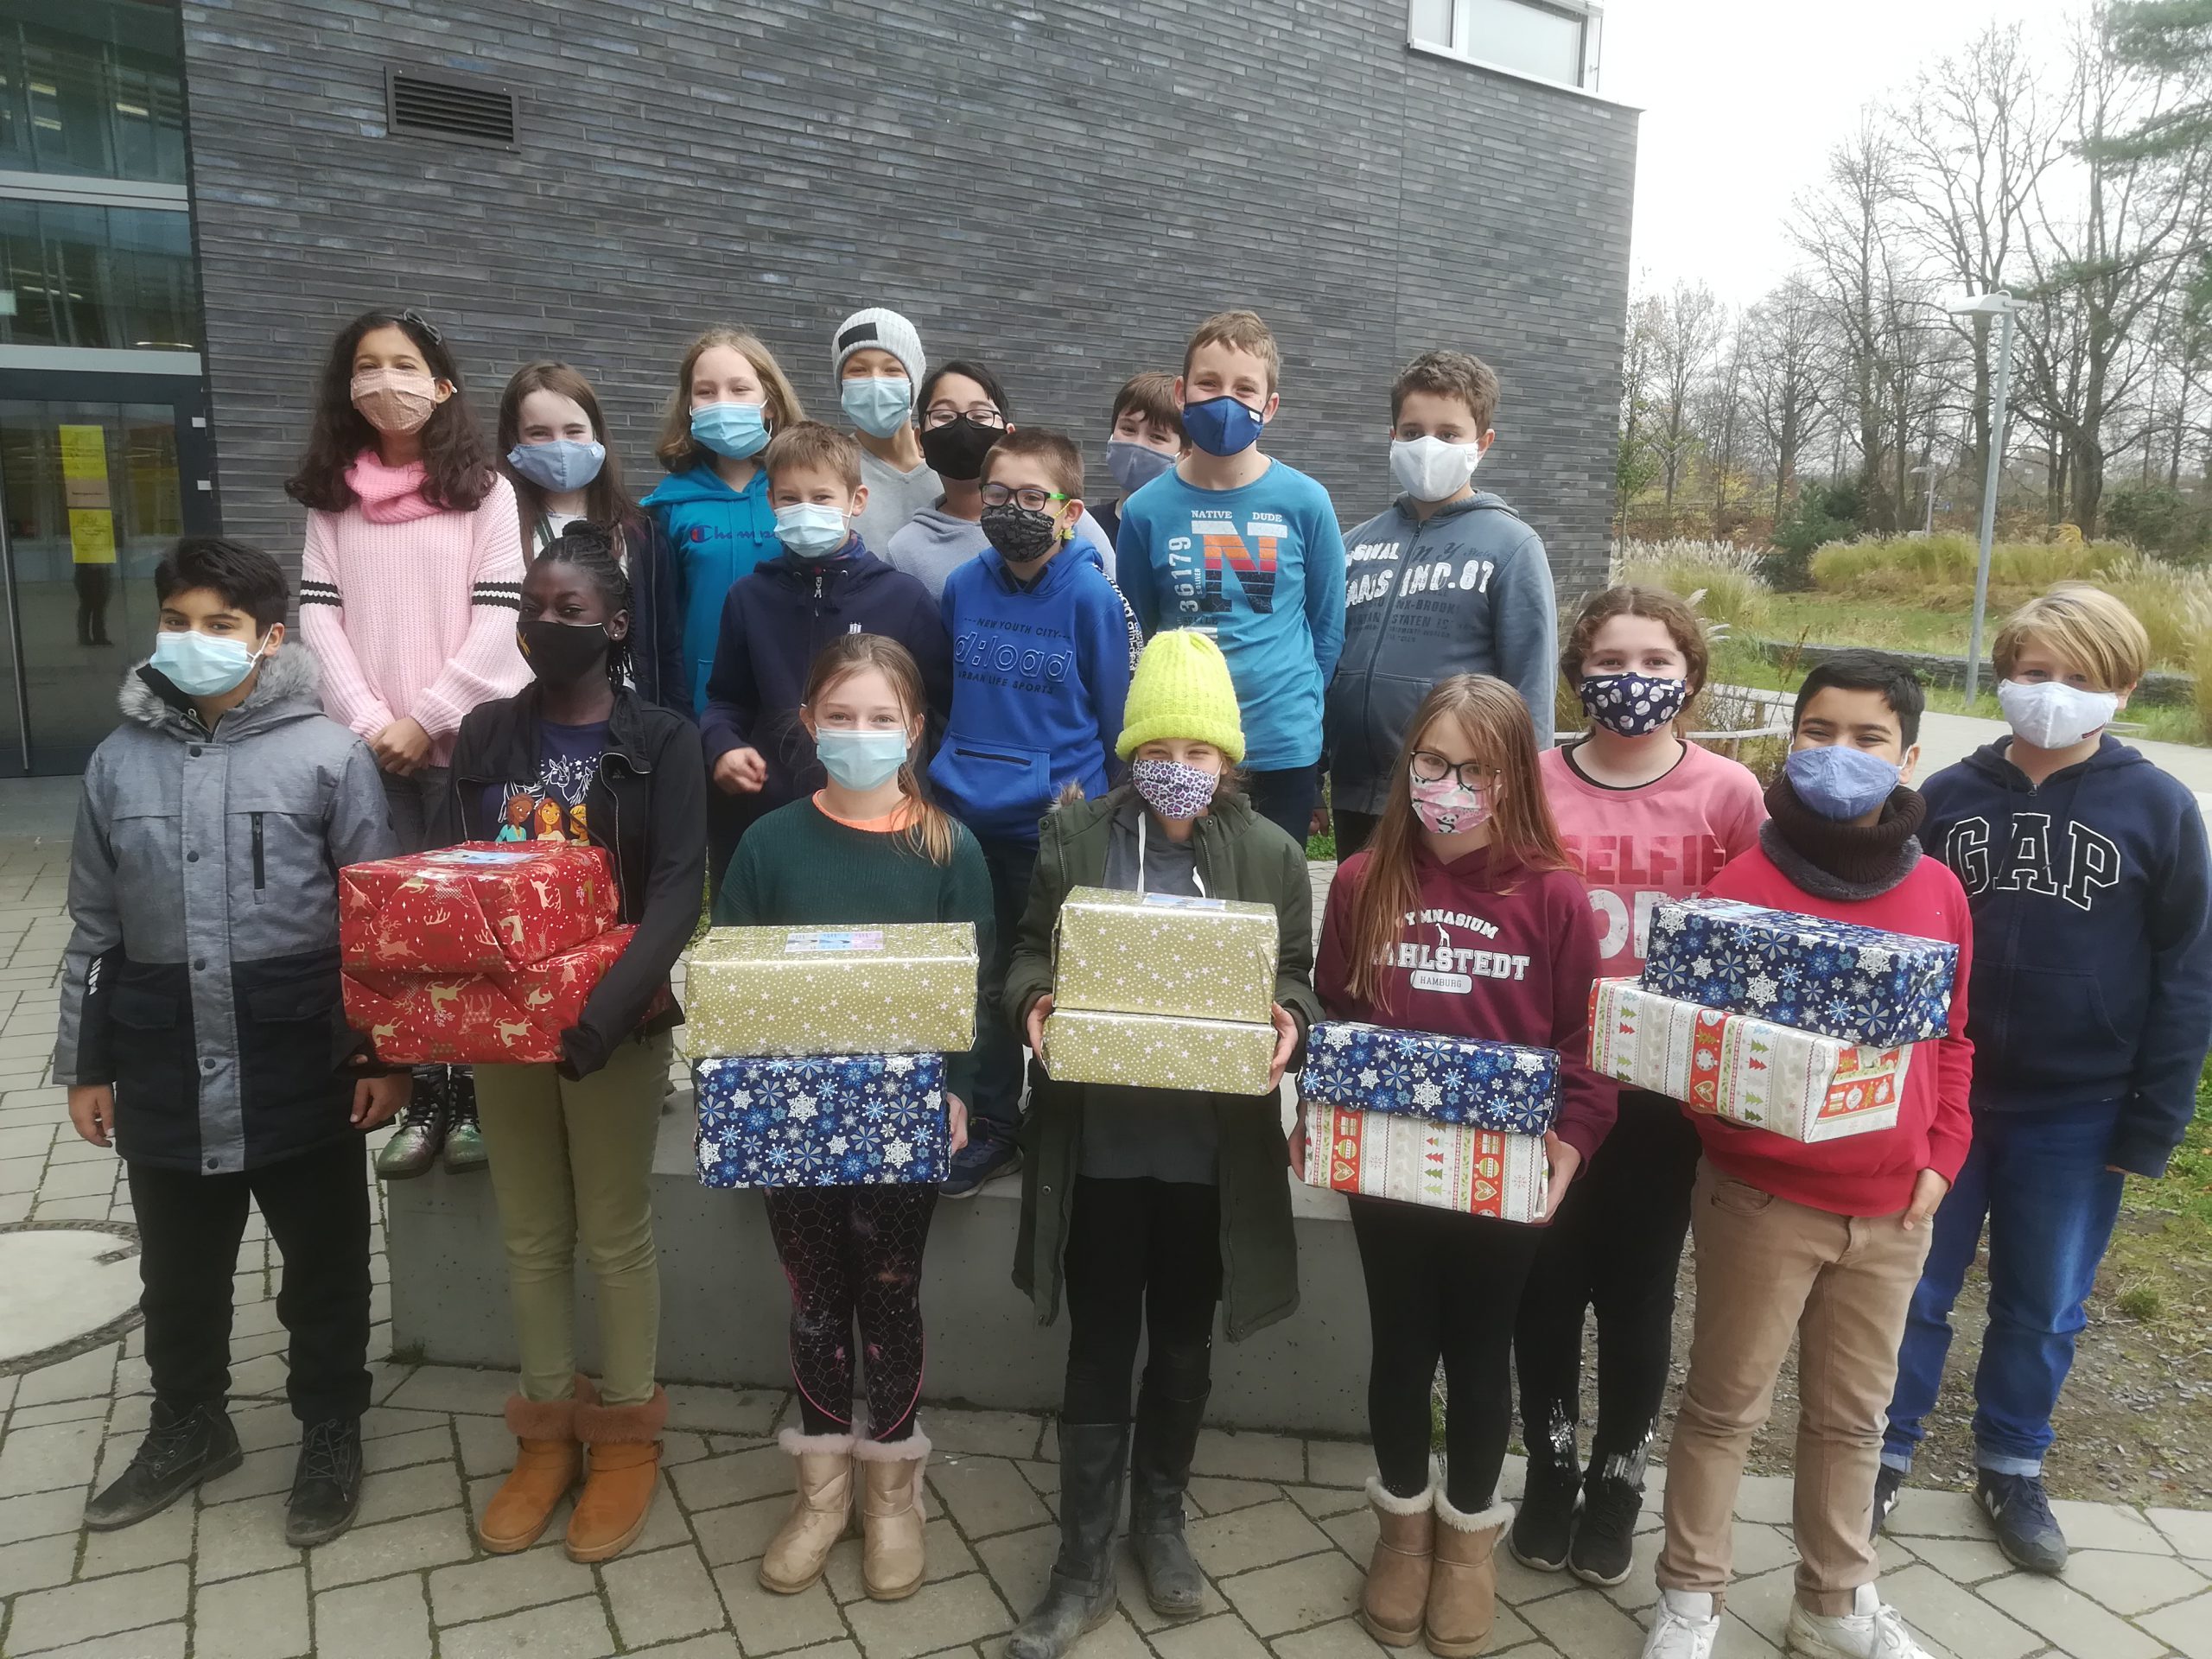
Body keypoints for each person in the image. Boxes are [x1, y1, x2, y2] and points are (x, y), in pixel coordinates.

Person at [56, 537, 404, 1548]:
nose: (194, 639)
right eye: (177, 621)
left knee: (325, 1267)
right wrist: (86, 1064)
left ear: (269, 638)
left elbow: (374, 923)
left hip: (301, 1059)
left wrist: (385, 1055)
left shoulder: (328, 755)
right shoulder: (116, 763)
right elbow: (94, 927)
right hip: (161, 1059)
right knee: (179, 1272)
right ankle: (189, 1423)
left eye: (221, 625)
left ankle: (330, 1428)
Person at [1643, 651, 1972, 1659]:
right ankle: (1690, 1600)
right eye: (1819, 732)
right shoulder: (1742, 884)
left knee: (1852, 1420)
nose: (1840, 754)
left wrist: (1941, 1154)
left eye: (1869, 738)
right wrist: (1740, 1134)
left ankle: (1833, 1602)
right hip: (1760, 1200)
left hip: (1892, 1210)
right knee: (1723, 1407)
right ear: (1791, 741)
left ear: (1908, 758)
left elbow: (1954, 1039)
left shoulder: (1938, 892)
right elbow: (1697, 1047)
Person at [1876, 587, 2212, 1573]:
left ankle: (2012, 1463)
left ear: (2123, 689)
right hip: (1945, 1098)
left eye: (2079, 677)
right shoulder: (1948, 797)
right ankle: (1881, 1449)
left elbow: (2188, 973)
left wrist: (2153, 1120)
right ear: (2003, 677)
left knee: (2044, 1302)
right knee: (1912, 1285)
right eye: (2033, 672)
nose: (2053, 692)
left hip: (2080, 1108)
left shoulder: (2158, 808)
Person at [1003, 629, 1316, 1659]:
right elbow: (1027, 953)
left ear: (1229, 759)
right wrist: (1034, 1004)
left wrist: (1289, 1019)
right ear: (1131, 750)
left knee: (1182, 1339)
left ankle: (1161, 1520)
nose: (1178, 768)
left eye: (1198, 750)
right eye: (1158, 748)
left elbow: (1297, 974)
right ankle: (1080, 1560)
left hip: (1206, 1158)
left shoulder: (1271, 854)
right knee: (1099, 1340)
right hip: (1100, 1147)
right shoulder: (1076, 839)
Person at [1310, 674, 1612, 1658]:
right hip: (1388, 1168)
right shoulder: (1363, 880)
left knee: (1482, 1352)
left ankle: (1469, 1539)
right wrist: (1319, 1113)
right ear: (1407, 765)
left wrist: (1573, 1139)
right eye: (1432, 762)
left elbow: (1584, 1044)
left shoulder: (1553, 896)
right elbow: (1335, 1013)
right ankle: (1403, 1529)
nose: (1450, 786)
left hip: (1501, 1173)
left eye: (1476, 770)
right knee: (1401, 1345)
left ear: (1513, 779)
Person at [431, 524, 706, 1564]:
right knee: (532, 1231)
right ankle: (545, 1429)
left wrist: (607, 1015)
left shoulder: (663, 740)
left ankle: (627, 1432)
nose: (546, 624)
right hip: (506, 1024)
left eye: (571, 610)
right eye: (533, 607)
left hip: (612, 1026)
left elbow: (676, 889)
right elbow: (452, 872)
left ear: (616, 625)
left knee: (614, 1228)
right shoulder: (486, 733)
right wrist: (459, 1011)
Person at [717, 633, 991, 1602]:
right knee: (814, 1297)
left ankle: (893, 1493)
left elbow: (974, 989)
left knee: (889, 1290)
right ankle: (822, 1490)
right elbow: (732, 979)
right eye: (841, 716)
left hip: (899, 1118)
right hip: (790, 1116)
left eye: (881, 718)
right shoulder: (769, 844)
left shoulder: (948, 848)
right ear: (808, 724)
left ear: (914, 730)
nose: (860, 733)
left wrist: (961, 1088)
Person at [1511, 586, 1766, 1585]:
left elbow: (1755, 935)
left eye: (1656, 661)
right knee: (1545, 1283)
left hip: (1665, 1092)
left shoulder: (1729, 794)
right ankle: (1549, 1468)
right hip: (1555, 1072)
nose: (1633, 679)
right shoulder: (1532, 782)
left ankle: (1618, 1479)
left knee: (1638, 1291)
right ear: (1576, 673)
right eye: (1610, 660)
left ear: (1689, 676)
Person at [289, 307, 528, 1179]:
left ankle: (480, 1098)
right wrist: (368, 722)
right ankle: (424, 1089)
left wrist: (426, 716)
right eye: (366, 365)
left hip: (471, 748)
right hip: (373, 758)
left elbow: (499, 620)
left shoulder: (486, 492)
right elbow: (319, 618)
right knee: (399, 932)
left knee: (475, 924)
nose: (383, 380)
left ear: (442, 384)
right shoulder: (334, 499)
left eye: (401, 363)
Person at [930, 429, 1134, 1197]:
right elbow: (946, 695)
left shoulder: (1092, 599)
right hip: (963, 819)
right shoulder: (962, 586)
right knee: (978, 973)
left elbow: (1116, 722)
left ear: (1070, 512)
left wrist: (1102, 821)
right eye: (997, 493)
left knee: (1053, 975)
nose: (1010, 508)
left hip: (1054, 822)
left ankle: (1059, 1113)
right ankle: (990, 1121)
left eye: (1030, 497)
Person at [1118, 310, 1348, 844]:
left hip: (1280, 743)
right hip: (1184, 744)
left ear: (1270, 406)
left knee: (1272, 887)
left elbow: (1327, 625)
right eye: (1209, 383)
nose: (1226, 400)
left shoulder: (1307, 502)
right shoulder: (1146, 510)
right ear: (1182, 393)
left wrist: (1298, 702)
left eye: (1245, 389)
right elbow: (1138, 628)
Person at [698, 421, 950, 893]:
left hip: (884, 818)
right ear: (771, 501)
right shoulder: (749, 599)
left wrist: (920, 787)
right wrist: (722, 745)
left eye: (821, 497)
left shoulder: (903, 599)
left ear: (857, 500)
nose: (805, 510)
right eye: (790, 498)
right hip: (776, 814)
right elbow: (726, 700)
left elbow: (940, 710)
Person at [1326, 350, 1557, 859]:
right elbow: (1328, 660)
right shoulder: (1354, 545)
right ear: (1393, 437)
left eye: (1449, 434)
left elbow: (1531, 683)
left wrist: (1524, 793)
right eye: (1412, 432)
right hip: (1357, 790)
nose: (1428, 446)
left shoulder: (1512, 546)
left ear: (1482, 443)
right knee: (1361, 907)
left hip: (1455, 792)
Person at [496, 359, 686, 711]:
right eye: (539, 433)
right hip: (522, 717)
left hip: (626, 719)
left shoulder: (640, 533)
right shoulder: (495, 524)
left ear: (596, 434)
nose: (560, 446)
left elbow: (666, 647)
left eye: (574, 431)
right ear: (514, 439)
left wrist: (677, 726)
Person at [639, 326, 806, 714]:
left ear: (770, 402)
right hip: (702, 703)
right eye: (706, 391)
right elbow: (660, 622)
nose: (722, 402)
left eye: (739, 389)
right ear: (689, 406)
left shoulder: (801, 491)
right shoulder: (668, 506)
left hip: (796, 691)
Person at [882, 360, 1122, 595]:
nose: (962, 427)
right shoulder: (905, 552)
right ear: (920, 440)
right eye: (944, 416)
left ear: (1008, 436)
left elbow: (1114, 604)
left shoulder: (1058, 515)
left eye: (980, 415)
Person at [833, 307, 941, 554]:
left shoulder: (948, 472)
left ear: (913, 383)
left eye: (892, 370)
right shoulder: (830, 469)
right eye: (858, 370)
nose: (875, 381)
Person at [1093, 372, 1185, 551]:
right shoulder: (1087, 527)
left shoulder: (1192, 533)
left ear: (1185, 453)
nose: (1137, 444)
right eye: (1128, 429)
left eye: (1157, 436)